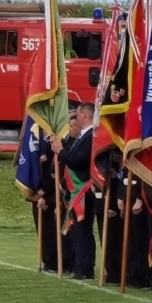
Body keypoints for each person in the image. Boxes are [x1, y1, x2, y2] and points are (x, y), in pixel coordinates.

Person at [53, 102, 97, 279]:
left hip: (84, 188)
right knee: (78, 230)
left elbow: (78, 160)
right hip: (76, 189)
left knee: (82, 229)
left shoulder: (91, 136)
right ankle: (81, 265)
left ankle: (85, 267)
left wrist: (60, 151)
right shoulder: (82, 136)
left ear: (85, 116)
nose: (76, 117)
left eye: (79, 114)